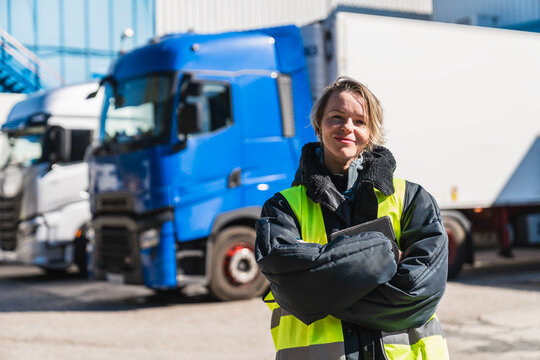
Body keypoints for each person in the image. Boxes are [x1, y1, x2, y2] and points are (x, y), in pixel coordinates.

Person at [255, 76, 449, 359]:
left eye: (360, 121)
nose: (347, 127)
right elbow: (293, 288)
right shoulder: (283, 207)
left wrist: (322, 290)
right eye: (337, 117)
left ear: (371, 131)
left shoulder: (412, 199)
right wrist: (381, 255)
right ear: (319, 124)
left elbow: (419, 293)